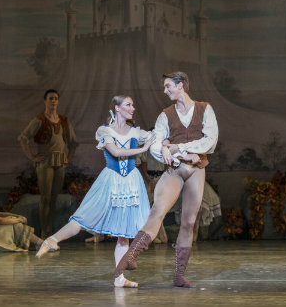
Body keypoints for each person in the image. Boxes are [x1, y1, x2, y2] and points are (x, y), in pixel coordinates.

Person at [35, 95, 155, 288]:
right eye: (128, 104)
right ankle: (51, 240)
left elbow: (156, 139)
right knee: (84, 218)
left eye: (133, 104)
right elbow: (115, 152)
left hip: (131, 183)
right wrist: (143, 148)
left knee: (124, 235)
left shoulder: (135, 132)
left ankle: (119, 278)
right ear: (116, 108)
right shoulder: (104, 130)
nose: (133, 107)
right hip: (111, 181)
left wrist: (165, 145)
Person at [114, 71, 219, 288]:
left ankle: (179, 275)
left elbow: (210, 141)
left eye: (168, 86)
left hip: (196, 171)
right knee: (157, 211)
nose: (165, 90)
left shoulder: (205, 109)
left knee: (189, 222)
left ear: (181, 85)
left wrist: (178, 147)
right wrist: (169, 151)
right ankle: (131, 256)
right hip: (175, 170)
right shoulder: (165, 115)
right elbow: (155, 144)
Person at [18, 89, 79, 237]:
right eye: (51, 98)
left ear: (58, 102)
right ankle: (45, 231)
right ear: (45, 101)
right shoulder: (39, 119)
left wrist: (68, 158)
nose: (53, 101)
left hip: (59, 162)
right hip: (45, 162)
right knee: (45, 197)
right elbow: (23, 137)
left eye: (56, 98)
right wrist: (32, 157)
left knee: (54, 198)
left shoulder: (64, 121)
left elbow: (73, 143)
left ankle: (50, 230)